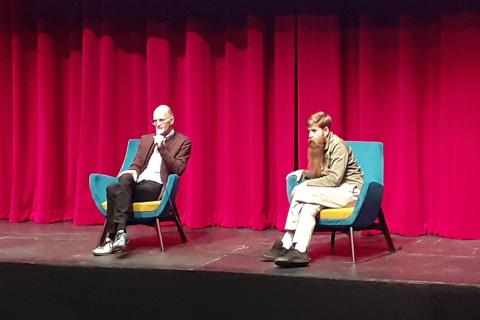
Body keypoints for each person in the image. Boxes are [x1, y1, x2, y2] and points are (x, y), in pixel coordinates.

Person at [261, 111, 364, 267]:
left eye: (314, 131)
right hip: (335, 192)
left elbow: (333, 179)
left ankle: (287, 241)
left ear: (326, 130)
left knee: (301, 191)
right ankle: (300, 251)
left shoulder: (339, 146)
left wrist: (306, 185)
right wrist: (304, 173)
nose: (309, 135)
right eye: (309, 131)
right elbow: (322, 174)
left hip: (350, 191)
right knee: (309, 206)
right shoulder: (321, 145)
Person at [92, 104, 192, 256]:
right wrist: (133, 171)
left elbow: (178, 169)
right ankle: (120, 234)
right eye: (154, 121)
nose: (157, 124)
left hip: (155, 186)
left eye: (161, 120)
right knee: (115, 186)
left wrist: (162, 148)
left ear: (171, 120)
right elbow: (137, 164)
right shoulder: (145, 140)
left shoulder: (183, 142)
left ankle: (111, 238)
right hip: (137, 182)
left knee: (113, 190)